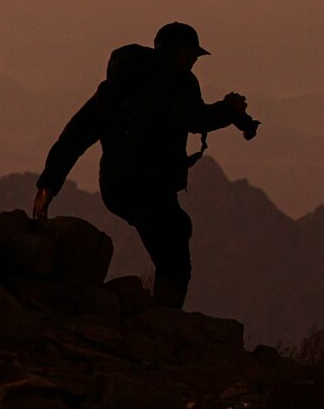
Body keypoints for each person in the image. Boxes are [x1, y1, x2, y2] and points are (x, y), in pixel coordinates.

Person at [32, 22, 254, 309]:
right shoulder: (179, 81)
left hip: (115, 186)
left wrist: (48, 184)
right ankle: (164, 319)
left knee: (173, 233)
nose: (193, 63)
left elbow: (74, 136)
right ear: (183, 54)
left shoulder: (112, 89)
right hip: (150, 185)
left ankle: (157, 313)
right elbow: (195, 119)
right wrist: (229, 110)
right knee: (174, 246)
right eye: (193, 57)